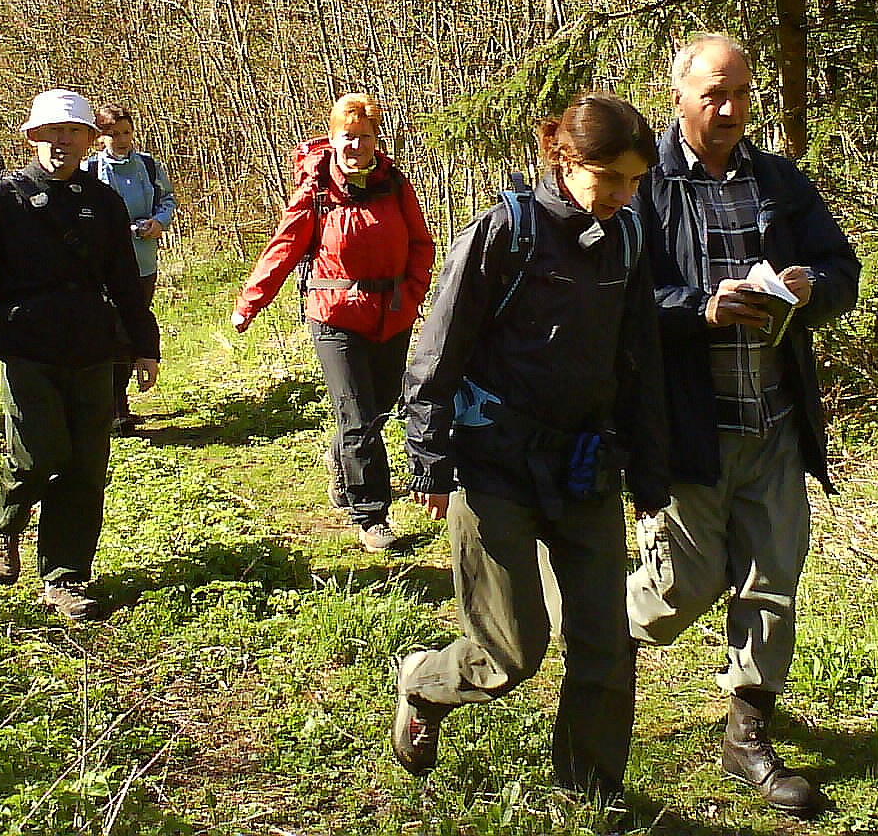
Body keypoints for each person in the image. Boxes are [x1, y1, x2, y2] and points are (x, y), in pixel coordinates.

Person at [392, 92, 669, 800]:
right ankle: (424, 683)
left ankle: (589, 791)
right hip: (496, 467)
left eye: (635, 180)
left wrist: (651, 473)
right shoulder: (503, 233)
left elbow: (638, 359)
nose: (622, 194)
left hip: (586, 469)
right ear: (566, 159)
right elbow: (435, 354)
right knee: (511, 650)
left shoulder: (631, 238)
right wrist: (430, 458)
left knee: (606, 646)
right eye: (610, 178)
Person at [623, 34, 860, 818]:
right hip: (693, 428)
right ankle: (603, 630)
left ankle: (747, 735)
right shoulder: (645, 185)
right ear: (680, 95)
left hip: (775, 421)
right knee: (679, 590)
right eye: (713, 94)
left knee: (772, 583)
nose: (728, 110)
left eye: (740, 95)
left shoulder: (778, 181)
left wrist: (810, 288)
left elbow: (842, 270)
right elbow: (622, 300)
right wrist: (700, 307)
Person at [0, 89, 160, 621]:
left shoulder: (102, 202)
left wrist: (143, 346)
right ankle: (6, 520)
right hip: (27, 350)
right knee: (38, 456)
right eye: (52, 132)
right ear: (33, 137)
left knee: (86, 466)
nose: (62, 142)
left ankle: (65, 576)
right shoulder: (2, 200)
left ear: (89, 140)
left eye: (73, 132)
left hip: (92, 351)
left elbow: (125, 282)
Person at [232, 93, 435, 552]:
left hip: (391, 314)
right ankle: (371, 515)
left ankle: (343, 466)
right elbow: (284, 247)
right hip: (334, 314)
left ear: (376, 139)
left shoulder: (394, 183)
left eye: (365, 137)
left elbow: (421, 243)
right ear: (334, 137)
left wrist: (414, 292)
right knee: (357, 413)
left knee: (381, 407)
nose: (356, 146)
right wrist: (251, 302)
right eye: (348, 137)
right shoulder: (318, 188)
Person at [83, 103, 177, 435]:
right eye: (112, 134)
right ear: (99, 138)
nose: (121, 140)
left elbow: (168, 200)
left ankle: (118, 398)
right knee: (111, 332)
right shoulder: (89, 171)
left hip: (142, 262)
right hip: (103, 267)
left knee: (133, 326)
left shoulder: (149, 166)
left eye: (126, 132)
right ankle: (113, 404)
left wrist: (158, 222)